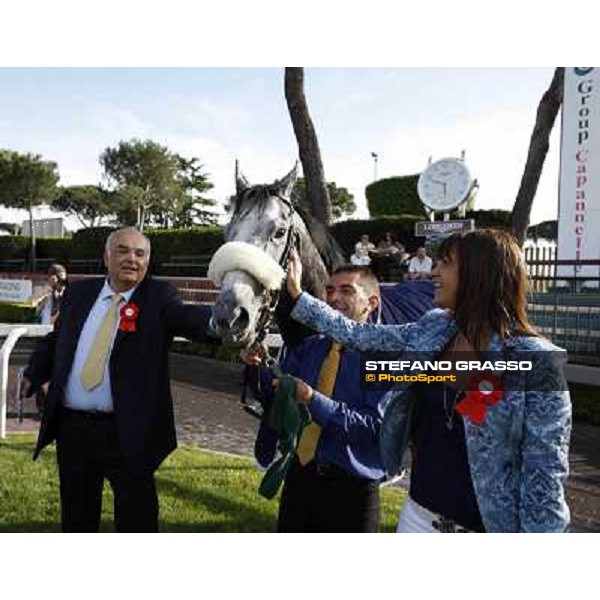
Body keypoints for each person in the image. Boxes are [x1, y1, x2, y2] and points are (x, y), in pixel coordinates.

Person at [286, 229, 572, 532]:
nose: (433, 272)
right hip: (417, 518)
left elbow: (545, 476)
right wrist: (298, 295)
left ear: (479, 273)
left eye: (445, 263)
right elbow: (359, 334)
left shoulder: (535, 363)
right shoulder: (434, 328)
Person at [22, 227, 216, 532]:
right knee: (76, 521)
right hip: (72, 430)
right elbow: (57, 339)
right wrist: (34, 372)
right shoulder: (80, 293)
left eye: (140, 253)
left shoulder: (159, 297)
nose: (131, 259)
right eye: (123, 250)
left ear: (149, 261)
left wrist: (222, 322)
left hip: (128, 433)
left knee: (136, 522)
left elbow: (187, 318)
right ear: (106, 256)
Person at [243, 265, 389, 532]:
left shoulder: (384, 358)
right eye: (330, 290)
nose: (334, 298)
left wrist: (313, 399)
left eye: (346, 291)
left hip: (352, 492)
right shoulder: (311, 348)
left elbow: (373, 428)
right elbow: (276, 396)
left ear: (371, 303)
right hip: (300, 479)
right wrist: (257, 366)